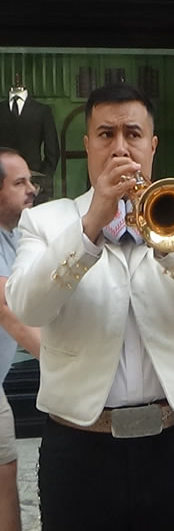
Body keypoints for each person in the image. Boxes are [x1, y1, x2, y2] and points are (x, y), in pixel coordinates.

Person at [5, 83, 174, 531]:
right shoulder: (45, 222)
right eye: (106, 134)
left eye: (133, 134)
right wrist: (88, 227)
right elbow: (28, 307)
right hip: (78, 446)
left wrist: (168, 244)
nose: (120, 147)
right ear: (87, 146)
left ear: (153, 145)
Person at [0, 148, 41, 531]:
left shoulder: (13, 236)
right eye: (19, 182)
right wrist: (68, 361)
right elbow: (9, 309)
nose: (32, 189)